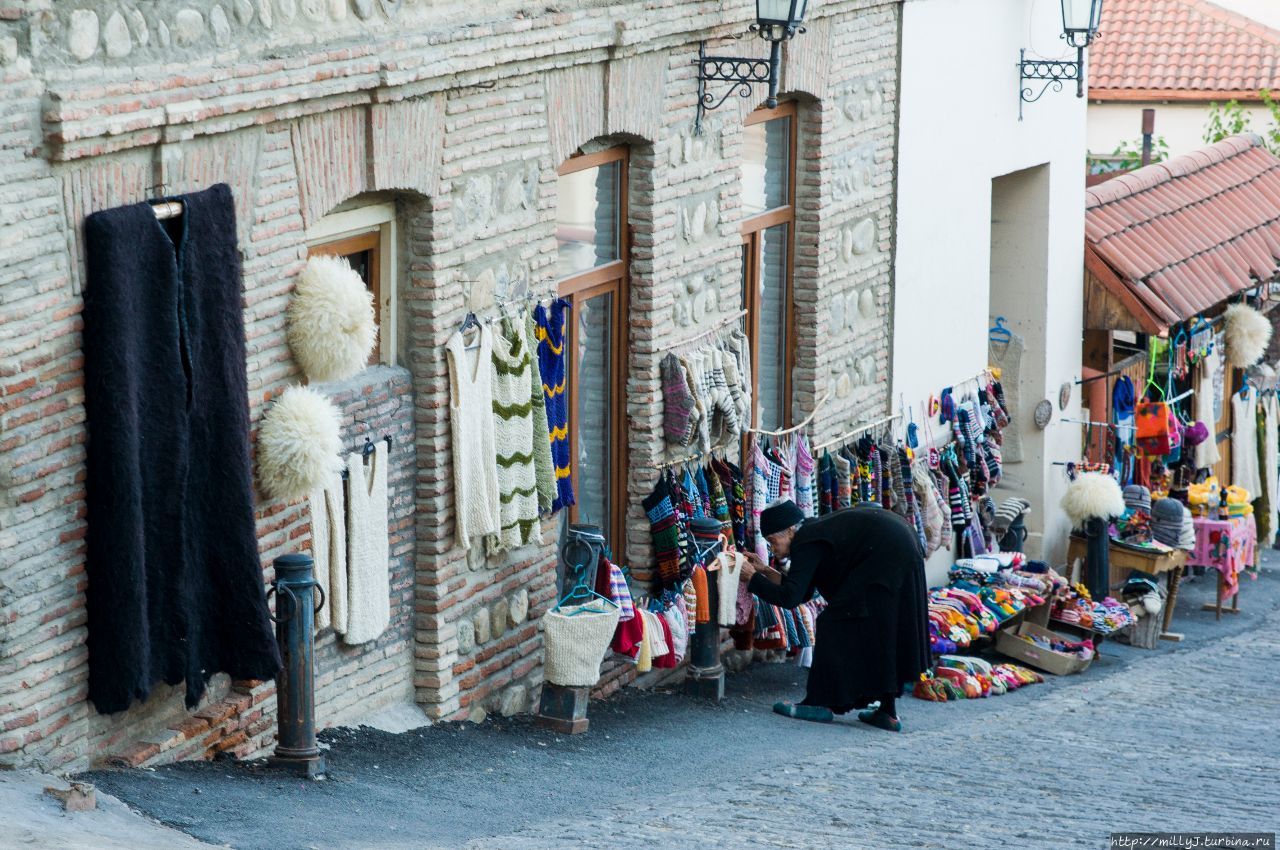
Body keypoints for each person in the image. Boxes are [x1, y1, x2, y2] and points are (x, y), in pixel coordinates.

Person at [740, 499, 930, 732]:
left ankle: (819, 703)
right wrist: (763, 571)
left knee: (833, 623)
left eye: (772, 541)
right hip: (899, 548)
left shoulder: (806, 540)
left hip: (888, 553)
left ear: (789, 530)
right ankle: (887, 712)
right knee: (881, 630)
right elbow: (801, 592)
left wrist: (752, 578)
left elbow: (789, 598)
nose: (773, 549)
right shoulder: (811, 534)